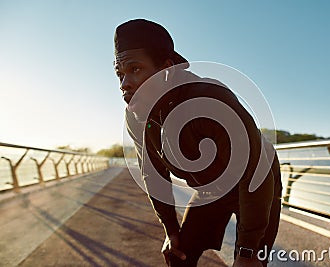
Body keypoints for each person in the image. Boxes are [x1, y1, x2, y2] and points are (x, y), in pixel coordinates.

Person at [113, 19, 282, 267]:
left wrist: (248, 251)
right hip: (211, 190)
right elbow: (152, 174)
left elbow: (256, 172)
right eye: (120, 73)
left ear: (166, 71)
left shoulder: (210, 98)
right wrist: (170, 230)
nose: (123, 83)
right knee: (177, 255)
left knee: (250, 262)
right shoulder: (136, 116)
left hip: (258, 181)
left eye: (135, 69)